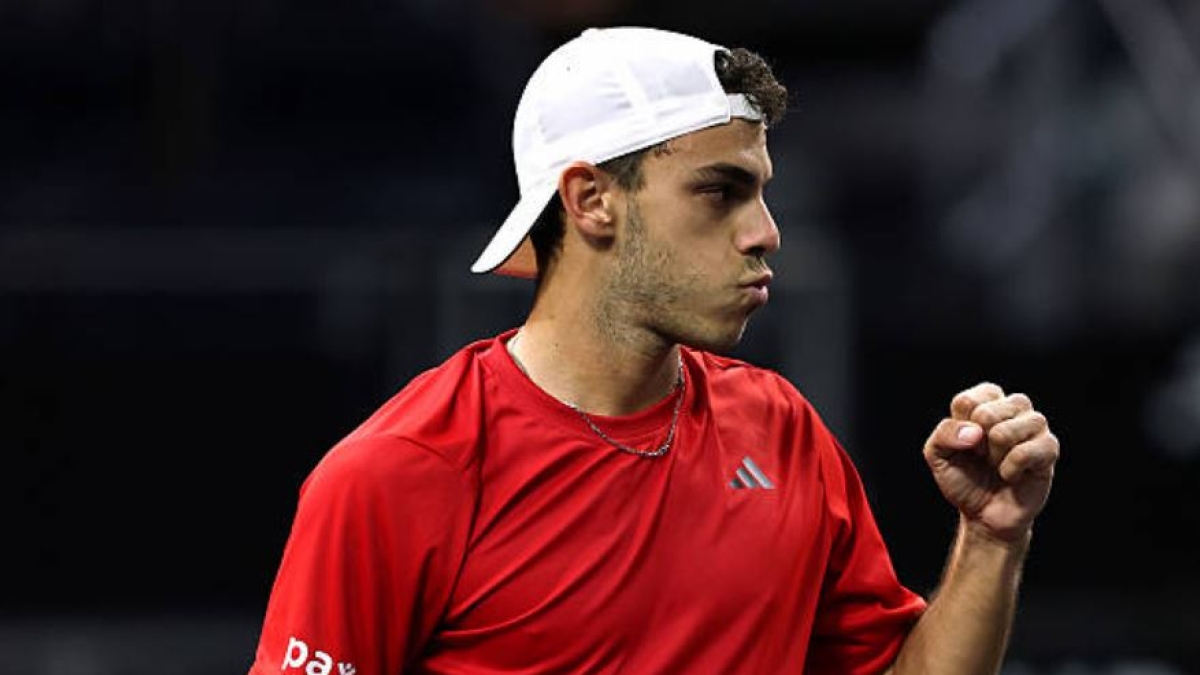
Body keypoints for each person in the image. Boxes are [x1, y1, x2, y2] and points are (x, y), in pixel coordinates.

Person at [246, 26, 1060, 675]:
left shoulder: (783, 430)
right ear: (592, 200)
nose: (766, 232)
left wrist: (991, 539)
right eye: (721, 191)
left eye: (763, 190)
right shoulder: (396, 472)